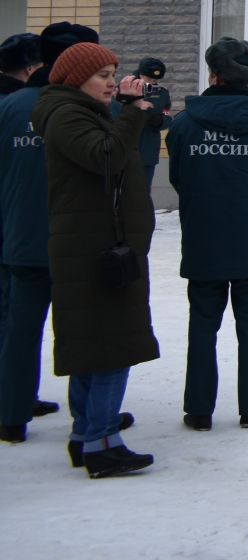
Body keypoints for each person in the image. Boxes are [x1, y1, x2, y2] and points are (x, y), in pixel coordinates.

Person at [37, 40, 162, 477]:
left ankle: (87, 433)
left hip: (96, 245)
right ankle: (102, 441)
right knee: (111, 345)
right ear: (76, 79)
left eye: (113, 74)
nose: (111, 83)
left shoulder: (78, 112)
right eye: (102, 76)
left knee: (94, 344)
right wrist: (133, 112)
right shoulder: (68, 115)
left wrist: (124, 112)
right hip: (93, 249)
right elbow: (106, 157)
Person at [167, 36, 248, 431]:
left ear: (213, 74)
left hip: (204, 239)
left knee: (202, 326)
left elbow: (178, 178)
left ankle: (198, 409)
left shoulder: (185, 124)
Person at [0, 24, 102, 445]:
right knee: (82, 329)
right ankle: (90, 418)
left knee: (20, 328)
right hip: (76, 240)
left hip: (21, 236)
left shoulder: (11, 106)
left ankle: (11, 413)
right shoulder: (86, 110)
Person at [0, 32, 40, 408]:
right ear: (32, 67)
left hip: (11, 226)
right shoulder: (25, 105)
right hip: (27, 228)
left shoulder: (8, 106)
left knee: (17, 321)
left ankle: (15, 403)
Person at [131, 56, 172, 191]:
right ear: (141, 74)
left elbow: (167, 114)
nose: (153, 83)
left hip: (149, 150)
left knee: (144, 190)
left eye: (155, 80)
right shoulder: (125, 90)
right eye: (149, 79)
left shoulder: (162, 94)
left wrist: (160, 121)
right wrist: (135, 109)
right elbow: (115, 114)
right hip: (128, 150)